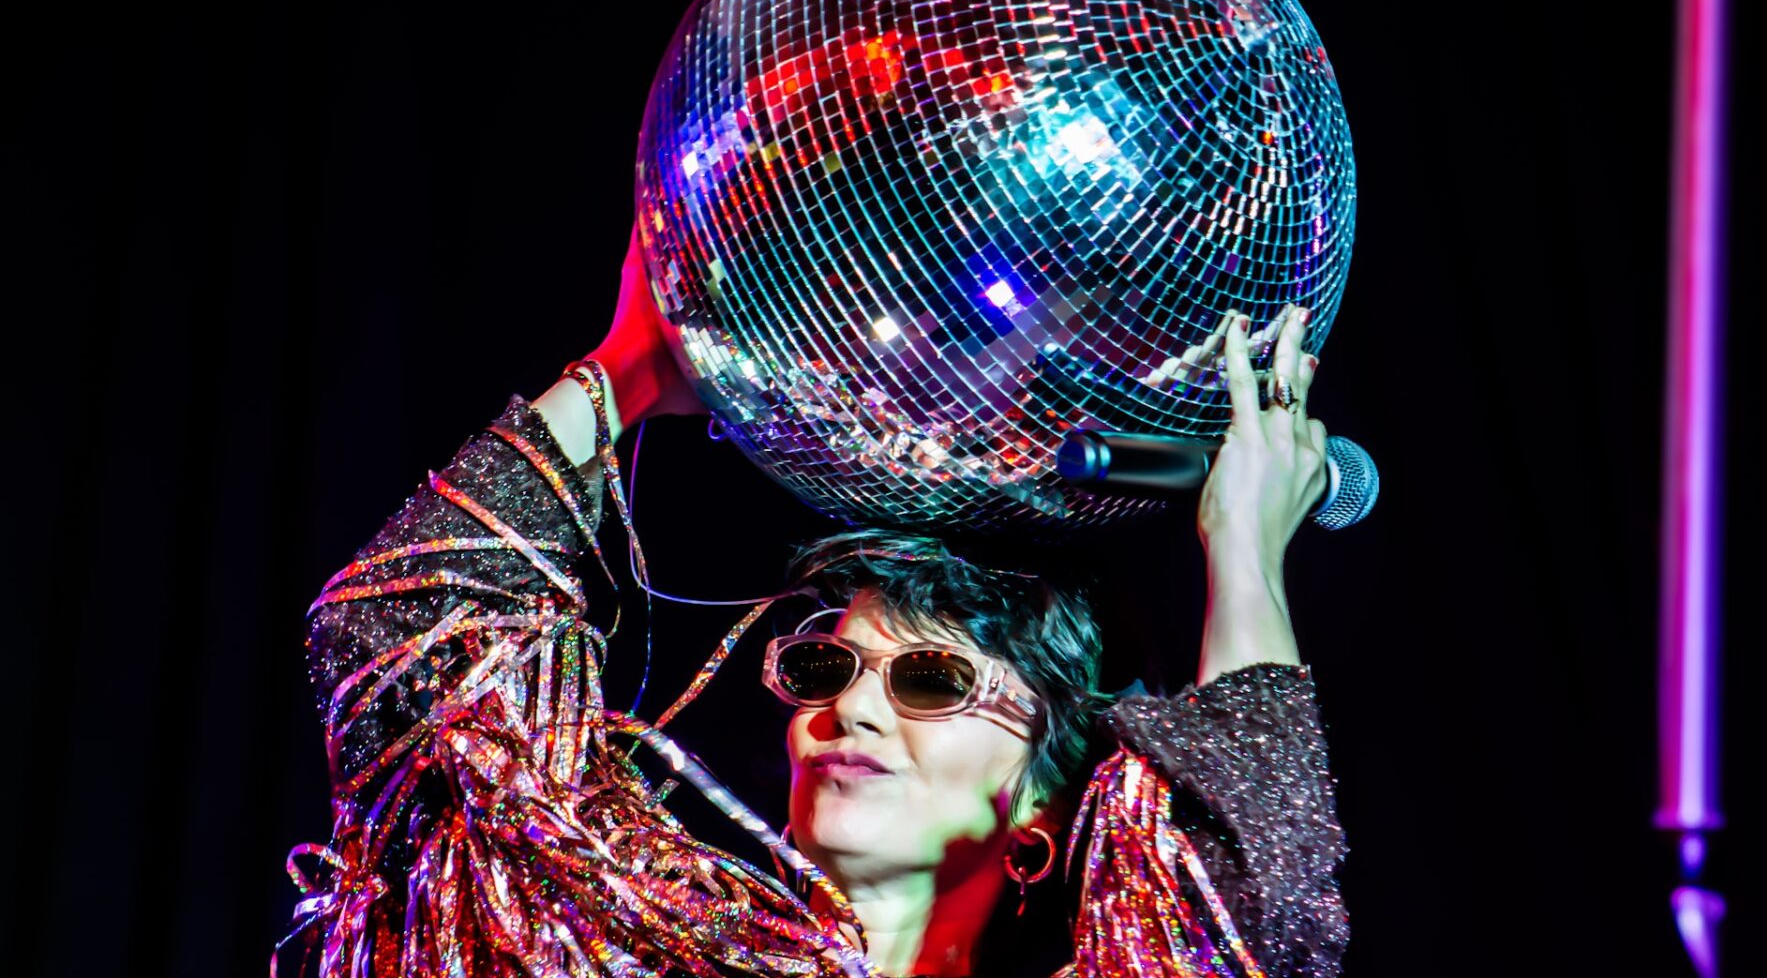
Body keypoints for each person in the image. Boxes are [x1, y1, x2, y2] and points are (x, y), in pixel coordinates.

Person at [280, 221, 1348, 977]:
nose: (854, 708)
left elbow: (1253, 916)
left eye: (931, 678)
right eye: (829, 666)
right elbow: (405, 644)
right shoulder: (628, 952)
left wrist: (1244, 553)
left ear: (1040, 810)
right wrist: (628, 370)